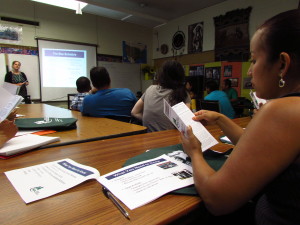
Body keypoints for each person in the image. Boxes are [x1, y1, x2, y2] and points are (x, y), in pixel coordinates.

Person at [180, 9, 300, 225]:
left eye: (254, 61)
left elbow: (217, 200)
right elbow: (263, 149)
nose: (249, 72)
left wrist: (195, 152)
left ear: (282, 64)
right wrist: (221, 119)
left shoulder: (282, 110)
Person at [131, 60, 191, 132]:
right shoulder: (182, 94)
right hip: (171, 140)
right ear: (181, 76)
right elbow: (186, 123)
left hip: (147, 139)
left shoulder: (150, 89)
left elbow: (134, 112)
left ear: (161, 74)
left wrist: (153, 121)